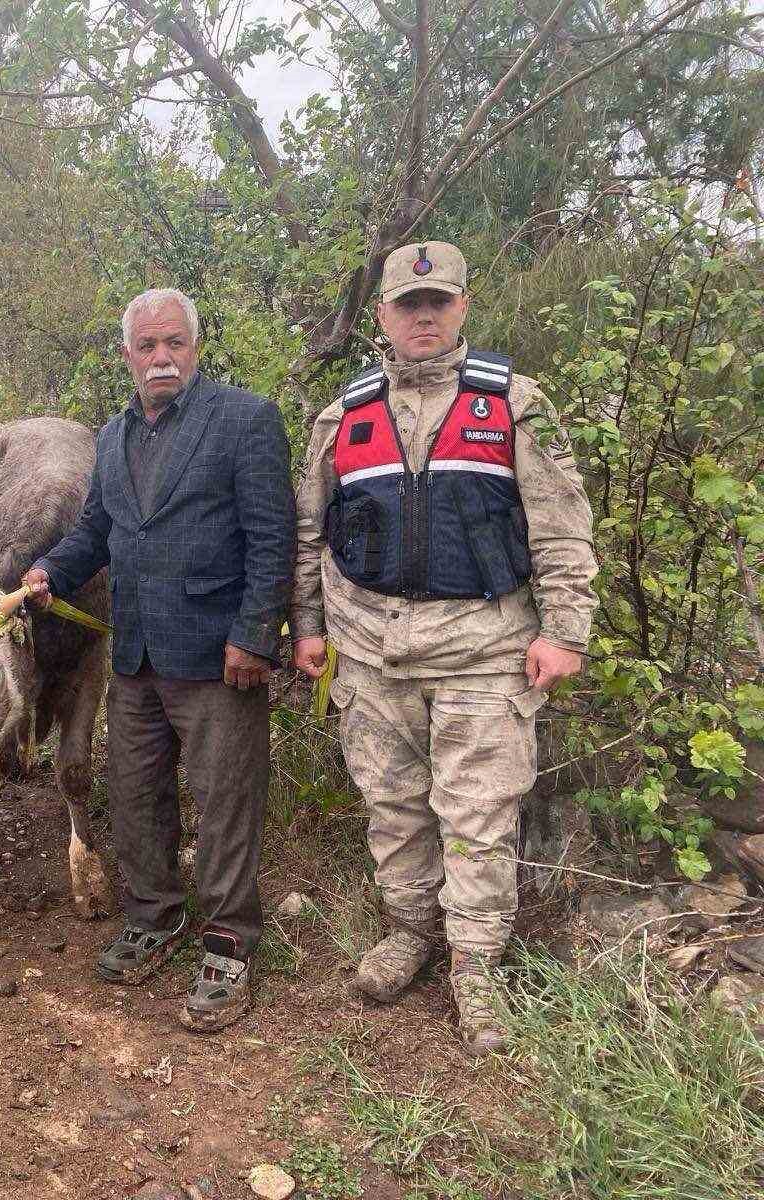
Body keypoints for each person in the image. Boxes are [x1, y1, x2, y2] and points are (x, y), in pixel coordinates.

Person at [292, 241, 598, 1054]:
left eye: (439, 302)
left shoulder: (514, 402)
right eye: (407, 305)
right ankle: (411, 929)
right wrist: (310, 627)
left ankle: (476, 963)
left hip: (484, 648)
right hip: (369, 645)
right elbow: (307, 536)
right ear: (384, 316)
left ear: (462, 307)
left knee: (477, 815)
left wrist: (566, 632)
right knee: (392, 807)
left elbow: (562, 526)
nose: (423, 317)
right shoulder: (344, 414)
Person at [23, 287, 296, 1032]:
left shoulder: (245, 421)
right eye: (147, 347)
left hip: (217, 656)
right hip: (137, 655)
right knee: (138, 793)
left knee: (226, 800)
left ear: (195, 348)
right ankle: (154, 914)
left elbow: (274, 540)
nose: (161, 358)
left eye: (174, 343)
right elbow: (96, 531)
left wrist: (255, 634)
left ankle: (229, 942)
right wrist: (50, 570)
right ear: (127, 357)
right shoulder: (110, 438)